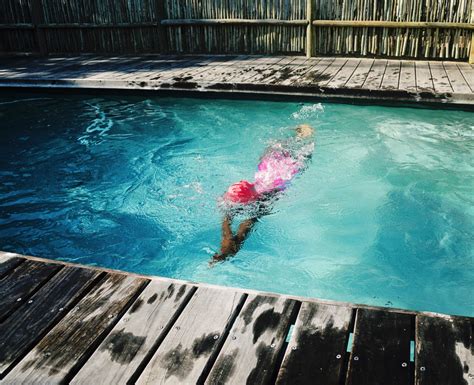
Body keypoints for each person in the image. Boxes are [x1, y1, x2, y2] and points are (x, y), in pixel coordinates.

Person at [211, 124, 315, 264]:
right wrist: (227, 234)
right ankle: (301, 134)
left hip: (285, 172)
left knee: (303, 154)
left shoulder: (266, 200)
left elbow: (245, 229)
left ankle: (305, 133)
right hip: (268, 167)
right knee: (274, 149)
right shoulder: (247, 190)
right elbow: (229, 219)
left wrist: (228, 245)